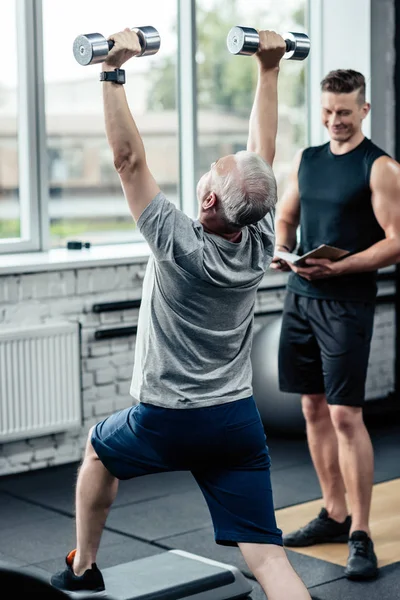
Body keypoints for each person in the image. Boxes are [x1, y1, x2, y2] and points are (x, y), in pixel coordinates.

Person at [50, 27, 312, 600]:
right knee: (269, 559)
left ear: (210, 199)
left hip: (168, 419)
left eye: (217, 167)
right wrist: (270, 69)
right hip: (235, 421)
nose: (221, 163)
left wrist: (113, 69)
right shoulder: (258, 232)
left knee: (98, 449)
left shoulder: (178, 242)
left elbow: (125, 160)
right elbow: (259, 157)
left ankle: (82, 567)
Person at [271, 69, 400, 581]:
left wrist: (341, 266)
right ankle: (334, 511)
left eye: (344, 112)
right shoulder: (307, 160)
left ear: (364, 111)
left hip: (347, 304)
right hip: (300, 298)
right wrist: (284, 250)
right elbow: (286, 217)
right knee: (312, 409)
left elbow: (396, 239)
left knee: (347, 417)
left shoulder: (382, 167)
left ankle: (361, 532)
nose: (334, 121)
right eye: (327, 111)